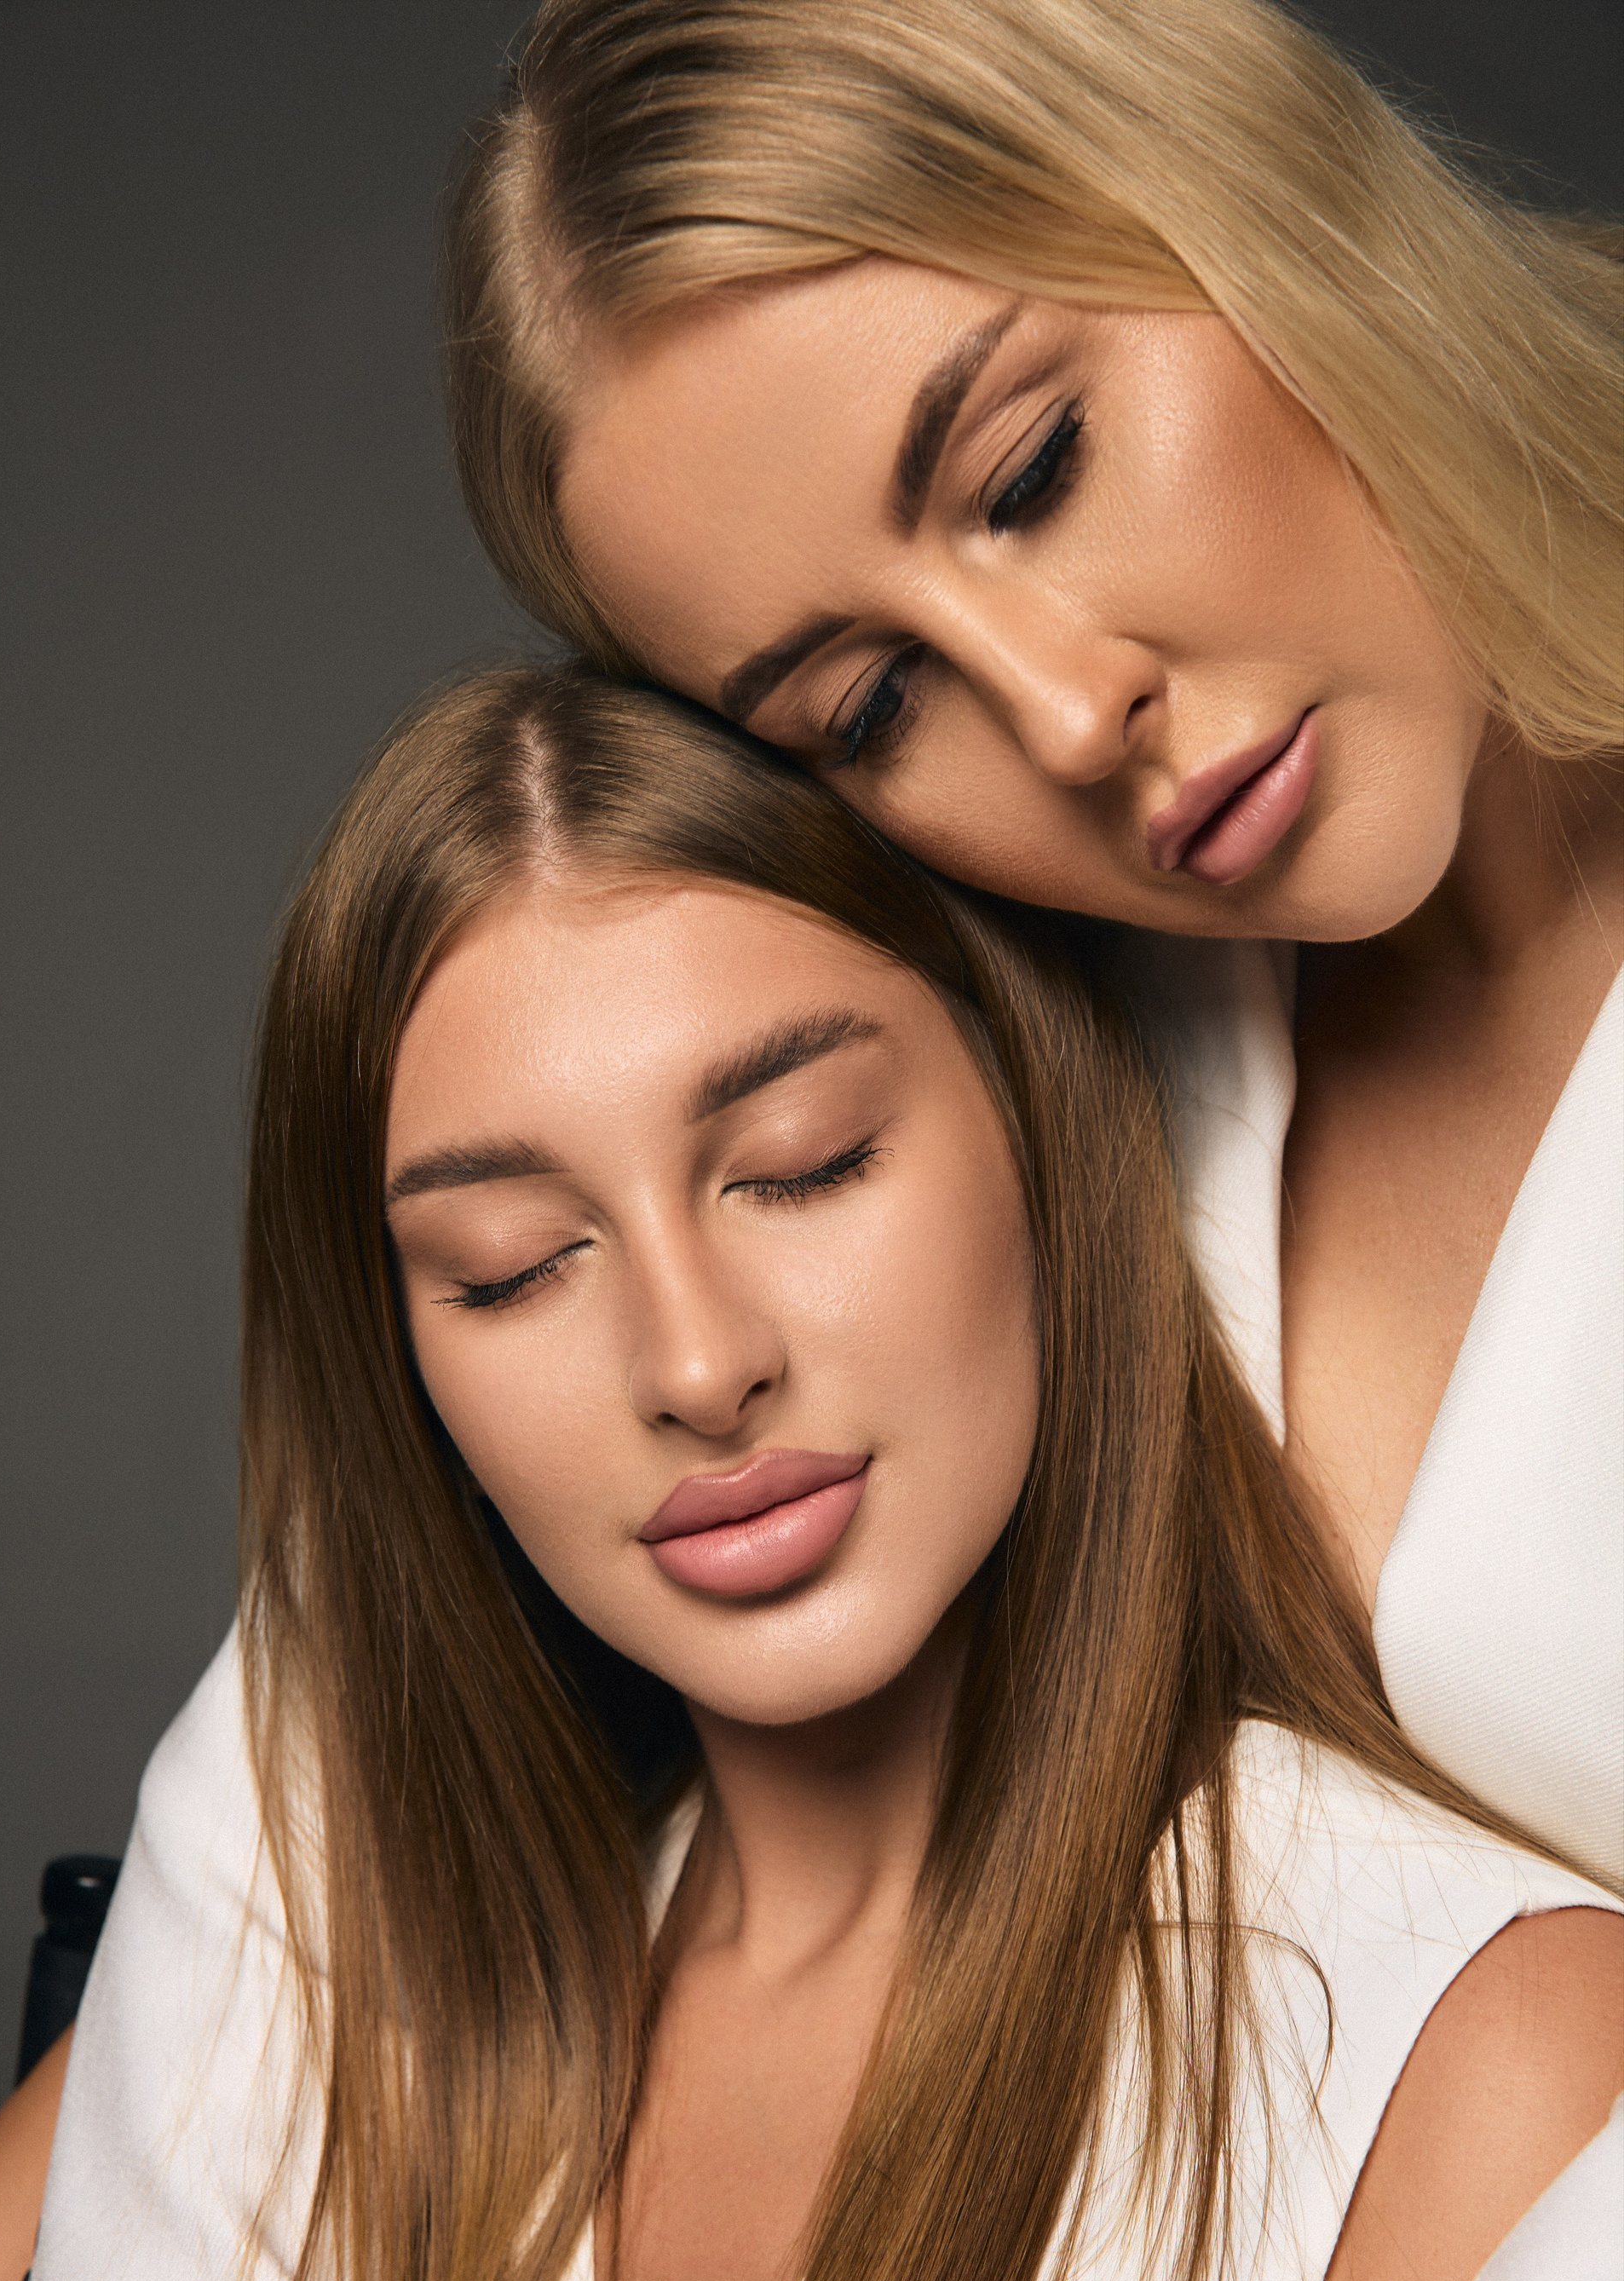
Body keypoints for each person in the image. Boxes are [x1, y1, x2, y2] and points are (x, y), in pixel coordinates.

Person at [0, 668, 1618, 2281]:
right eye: (514, 1266)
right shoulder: (302, 1996)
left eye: (803, 1164)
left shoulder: (1472, 2056)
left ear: (1042, 1126)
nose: (699, 1366)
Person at [442, 0, 1623, 1887]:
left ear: (1241, 179)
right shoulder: (959, 1073)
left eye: (1032, 472)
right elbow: (334, 1771)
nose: (1068, 719)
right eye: (871, 705)